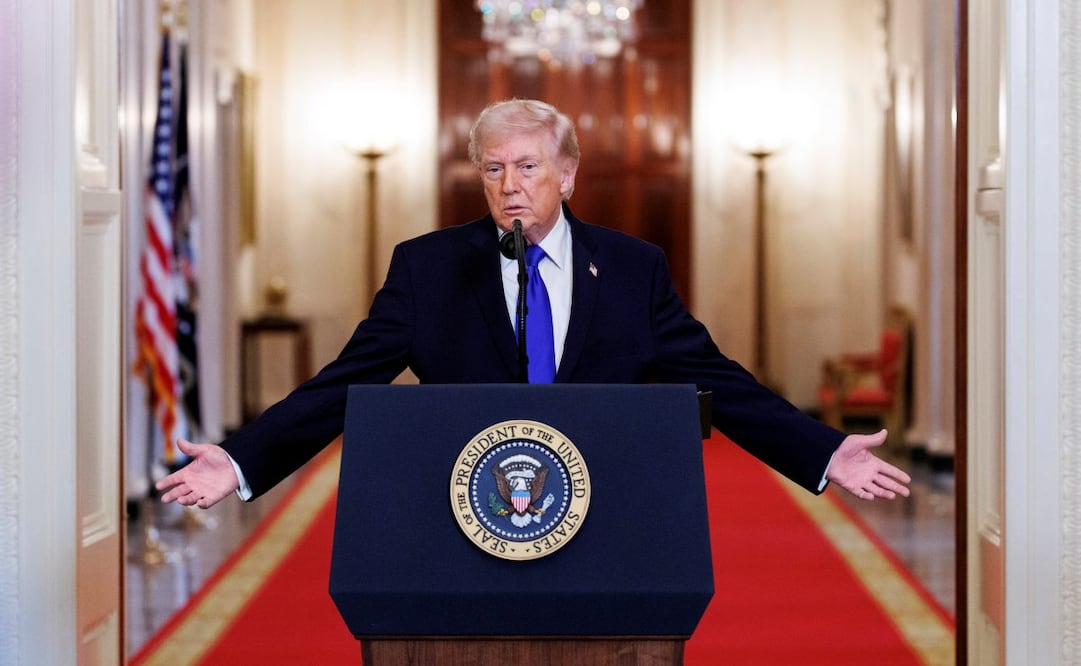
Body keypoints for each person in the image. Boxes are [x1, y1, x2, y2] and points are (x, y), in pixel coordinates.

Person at [157, 98, 910, 509]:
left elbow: (719, 380)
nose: (509, 184)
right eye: (492, 168)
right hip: (467, 500)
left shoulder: (630, 267)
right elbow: (341, 385)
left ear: (567, 175)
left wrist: (821, 448)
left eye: (526, 166)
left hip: (605, 501)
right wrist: (240, 459)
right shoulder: (427, 268)